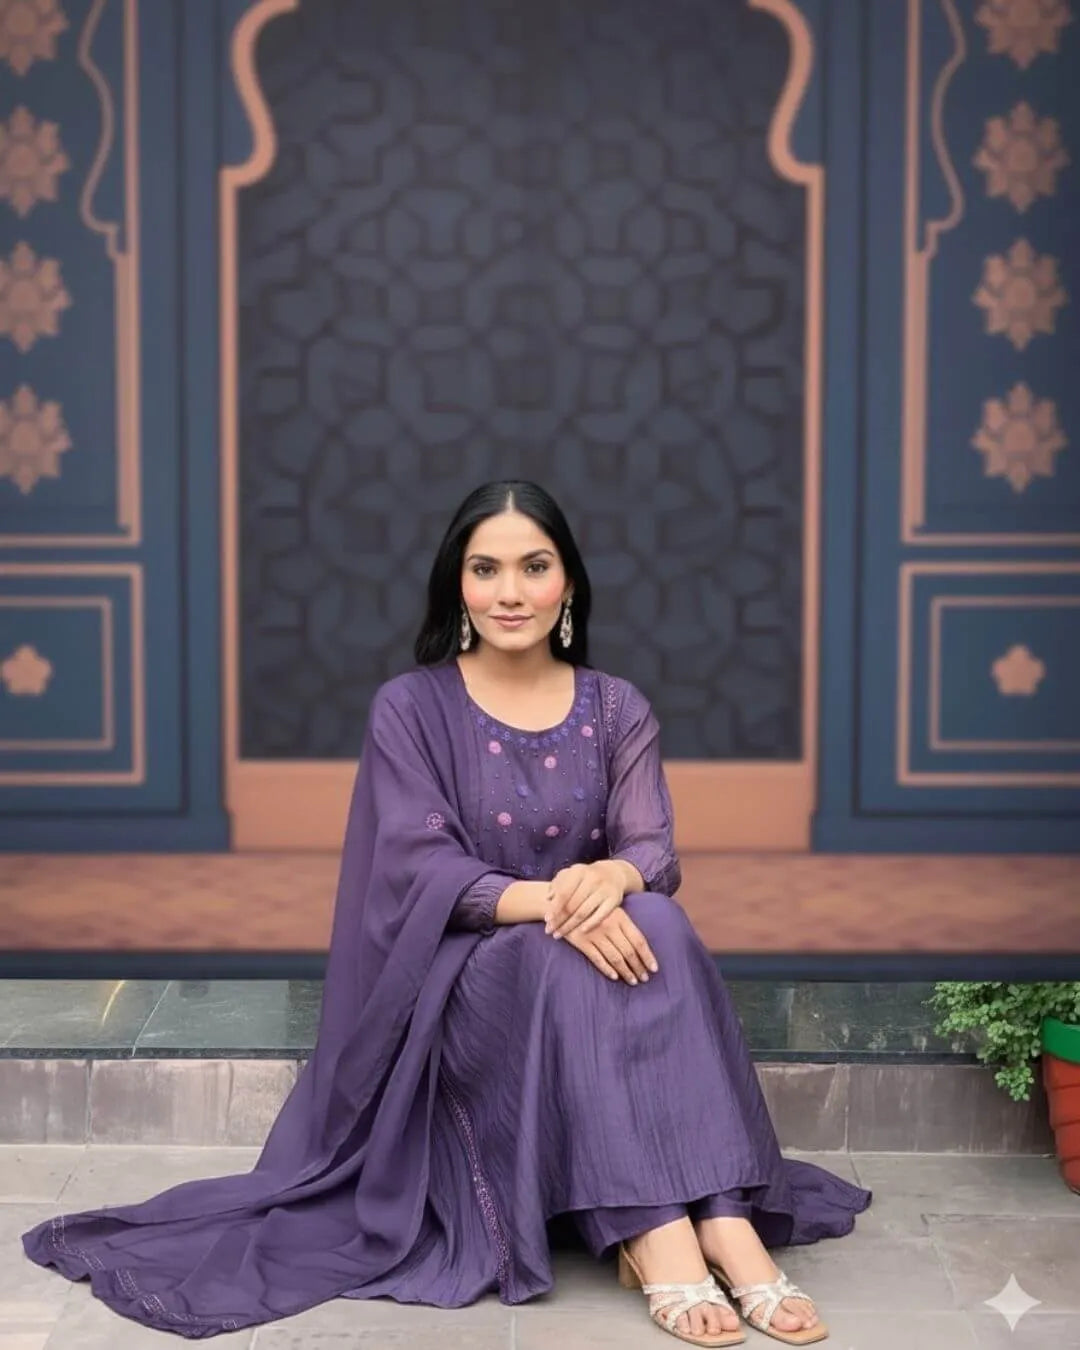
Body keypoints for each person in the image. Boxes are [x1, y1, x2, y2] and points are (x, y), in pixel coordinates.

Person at [22, 480, 870, 1344]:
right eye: (486, 569)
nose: (510, 592)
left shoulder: (616, 707)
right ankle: (659, 1231)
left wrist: (610, 877)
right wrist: (552, 901)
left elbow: (655, 850)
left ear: (568, 584)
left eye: (534, 567)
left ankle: (723, 1217)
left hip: (585, 952)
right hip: (464, 980)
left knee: (662, 922)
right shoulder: (413, 707)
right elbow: (417, 866)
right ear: (457, 586)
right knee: (559, 949)